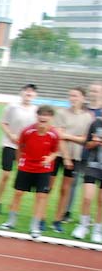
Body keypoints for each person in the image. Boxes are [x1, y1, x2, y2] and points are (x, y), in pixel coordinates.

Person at [0, 105, 60, 238]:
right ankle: (11, 221)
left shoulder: (54, 134)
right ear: (37, 117)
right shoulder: (27, 131)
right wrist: (20, 161)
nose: (42, 121)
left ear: (51, 119)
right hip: (26, 167)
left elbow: (56, 151)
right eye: (40, 118)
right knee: (18, 193)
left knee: (41, 196)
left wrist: (49, 158)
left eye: (46, 118)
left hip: (43, 169)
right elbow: (20, 147)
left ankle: (35, 226)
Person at [49, 87, 93, 233]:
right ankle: (40, 218)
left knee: (65, 189)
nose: (72, 98)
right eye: (70, 96)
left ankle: (57, 220)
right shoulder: (61, 113)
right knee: (48, 187)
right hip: (58, 155)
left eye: (75, 96)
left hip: (76, 157)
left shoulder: (88, 117)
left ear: (82, 98)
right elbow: (58, 136)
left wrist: (67, 136)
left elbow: (85, 139)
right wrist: (66, 156)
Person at [0, 84, 38, 215]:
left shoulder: (36, 110)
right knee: (6, 174)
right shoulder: (12, 107)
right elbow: (3, 122)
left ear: (35, 95)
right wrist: (10, 135)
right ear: (22, 93)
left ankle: (13, 204)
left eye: (31, 92)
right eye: (26, 91)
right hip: (9, 144)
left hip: (25, 148)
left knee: (21, 176)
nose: (28, 94)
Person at [74, 112, 102, 242]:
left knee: (101, 201)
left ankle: (97, 230)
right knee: (87, 198)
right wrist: (94, 142)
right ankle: (83, 226)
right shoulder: (95, 123)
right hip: (92, 165)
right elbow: (87, 144)